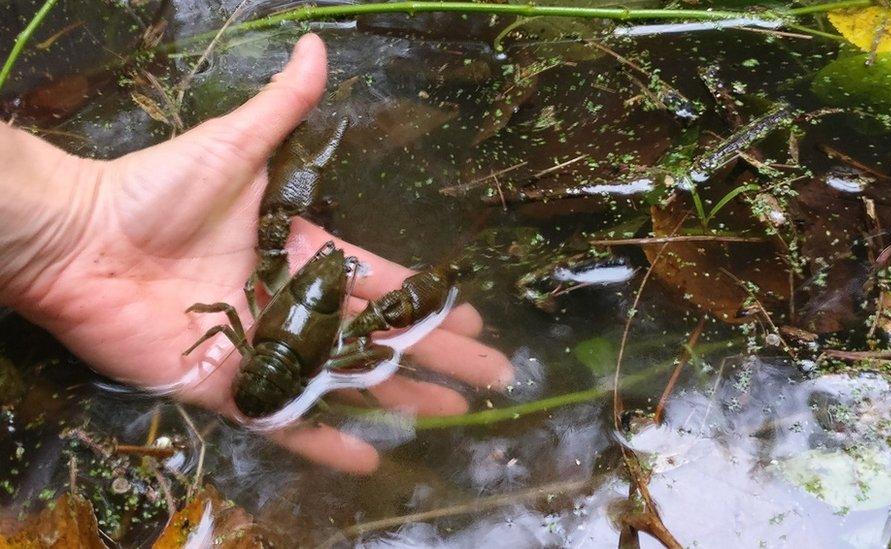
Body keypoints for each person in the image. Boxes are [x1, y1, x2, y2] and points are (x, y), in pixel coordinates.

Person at [0, 34, 513, 474]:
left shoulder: (261, 288)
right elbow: (371, 345)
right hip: (277, 382)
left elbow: (237, 297)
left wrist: (71, 227)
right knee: (389, 331)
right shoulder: (347, 330)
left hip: (268, 371)